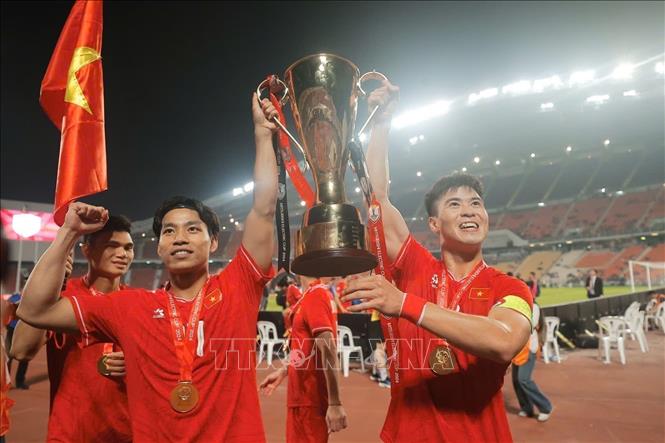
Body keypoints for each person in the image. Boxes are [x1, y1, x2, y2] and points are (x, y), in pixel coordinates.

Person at [17, 94, 279, 442]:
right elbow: (34, 310)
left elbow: (264, 209)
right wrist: (67, 233)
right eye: (169, 231)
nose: (179, 238)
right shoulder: (131, 307)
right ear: (158, 247)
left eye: (192, 229)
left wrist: (262, 135)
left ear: (214, 242)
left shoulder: (238, 286)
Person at [342, 80, 533, 442]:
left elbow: (504, 341)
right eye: (455, 204)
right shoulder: (415, 267)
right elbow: (377, 197)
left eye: (476, 203)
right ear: (434, 223)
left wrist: (405, 304)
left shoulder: (509, 288)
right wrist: (382, 122)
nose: (469, 211)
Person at [10, 215, 134, 442]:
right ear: (87, 250)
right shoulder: (64, 296)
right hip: (70, 433)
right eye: (111, 245)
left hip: (125, 434)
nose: (122, 254)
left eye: (128, 247)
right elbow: (20, 350)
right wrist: (54, 288)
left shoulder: (138, 302)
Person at [260, 275, 347, 442]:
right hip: (301, 394)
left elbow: (328, 347)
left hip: (309, 396)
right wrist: (284, 370)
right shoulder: (309, 295)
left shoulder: (316, 294)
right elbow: (304, 345)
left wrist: (335, 403)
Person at [511, 301, 553, 422]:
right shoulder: (514, 305)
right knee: (516, 380)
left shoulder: (533, 307)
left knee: (523, 379)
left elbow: (530, 325)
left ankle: (545, 407)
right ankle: (527, 407)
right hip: (517, 347)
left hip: (529, 348)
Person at [5, 290, 30, 390]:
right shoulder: (15, 298)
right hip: (13, 329)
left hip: (24, 330)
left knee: (24, 357)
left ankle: (20, 381)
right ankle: (7, 382)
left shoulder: (29, 299)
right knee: (8, 357)